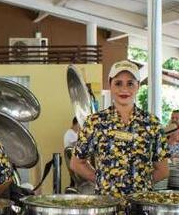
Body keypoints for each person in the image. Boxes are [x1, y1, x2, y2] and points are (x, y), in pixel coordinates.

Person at [70, 61, 169, 199]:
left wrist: (140, 183)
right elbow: (76, 163)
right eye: (118, 83)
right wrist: (102, 180)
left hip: (140, 207)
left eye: (130, 83)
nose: (124, 89)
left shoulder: (152, 124)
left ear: (138, 86)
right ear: (110, 85)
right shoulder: (95, 122)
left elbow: (163, 170)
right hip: (107, 207)